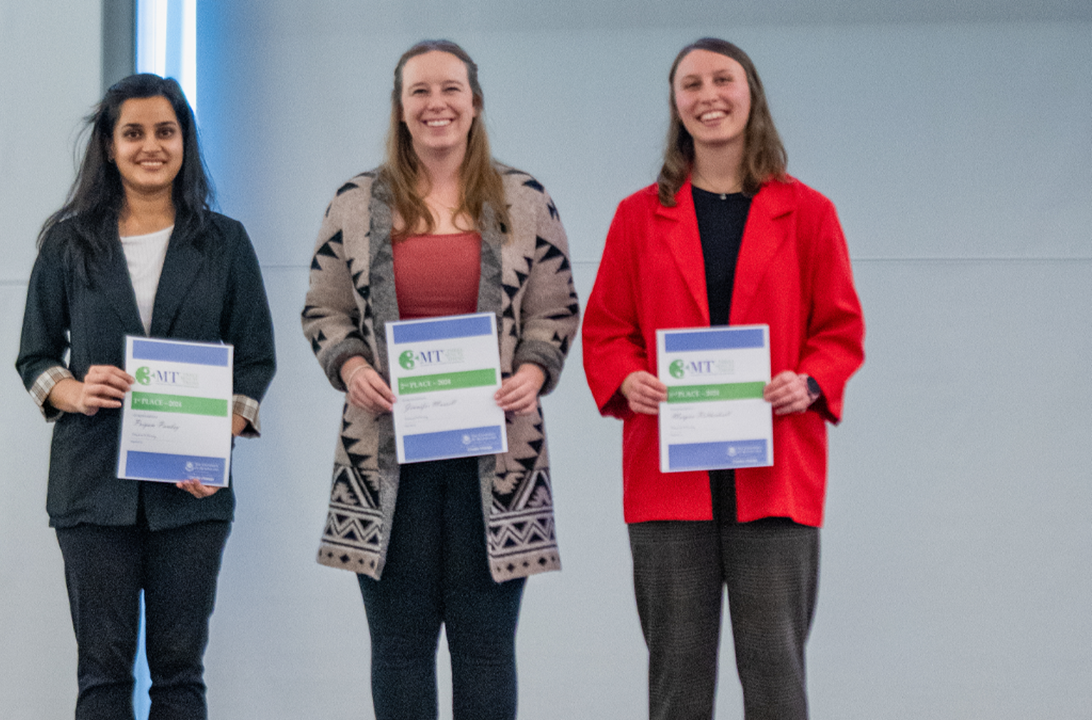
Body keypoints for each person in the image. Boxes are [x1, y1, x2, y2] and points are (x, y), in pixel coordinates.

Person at [582, 38, 865, 720]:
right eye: (690, 84)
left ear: (751, 94)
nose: (708, 95)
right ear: (676, 106)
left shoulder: (810, 213)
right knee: (677, 683)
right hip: (668, 481)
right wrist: (627, 378)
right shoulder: (636, 216)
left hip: (774, 478)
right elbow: (605, 330)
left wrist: (812, 382)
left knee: (775, 678)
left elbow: (839, 331)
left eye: (722, 79)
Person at [301, 39, 579, 720]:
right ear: (399, 108)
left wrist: (534, 369)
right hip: (386, 461)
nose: (436, 104)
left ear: (475, 103)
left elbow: (556, 308)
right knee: (399, 650)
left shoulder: (525, 199)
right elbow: (324, 308)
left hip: (497, 462)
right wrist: (352, 363)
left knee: (486, 650)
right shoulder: (353, 202)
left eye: (450, 89)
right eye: (420, 91)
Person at [15, 73, 275, 720]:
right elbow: (35, 355)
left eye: (165, 131)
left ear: (184, 140)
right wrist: (74, 391)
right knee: (102, 679)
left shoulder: (225, 243)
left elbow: (256, 359)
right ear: (108, 146)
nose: (150, 145)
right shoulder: (69, 243)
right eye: (133, 133)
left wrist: (225, 432)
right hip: (90, 488)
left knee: (179, 679)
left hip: (190, 496)